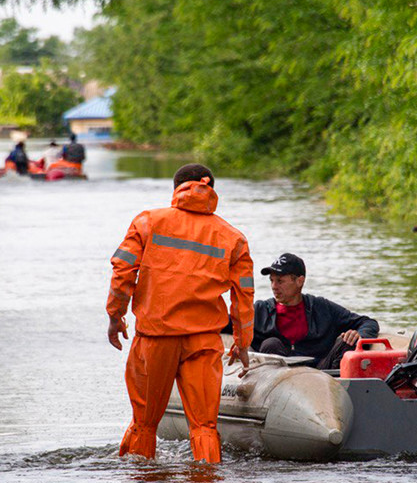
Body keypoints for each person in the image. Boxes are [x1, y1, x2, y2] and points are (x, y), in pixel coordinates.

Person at [107, 163, 255, 463]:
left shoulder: (148, 221)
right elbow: (244, 297)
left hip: (155, 338)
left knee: (145, 425)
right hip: (203, 342)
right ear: (212, 188)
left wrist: (115, 316)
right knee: (204, 427)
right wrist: (242, 341)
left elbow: (122, 273)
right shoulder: (233, 238)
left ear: (175, 189)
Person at [249, 253, 379, 370]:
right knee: (271, 343)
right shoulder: (261, 310)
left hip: (322, 376)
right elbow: (230, 323)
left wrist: (359, 335)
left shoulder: (322, 307)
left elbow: (368, 322)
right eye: (271, 280)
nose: (274, 287)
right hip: (277, 382)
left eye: (280, 281)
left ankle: (337, 392)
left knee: (347, 341)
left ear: (299, 281)